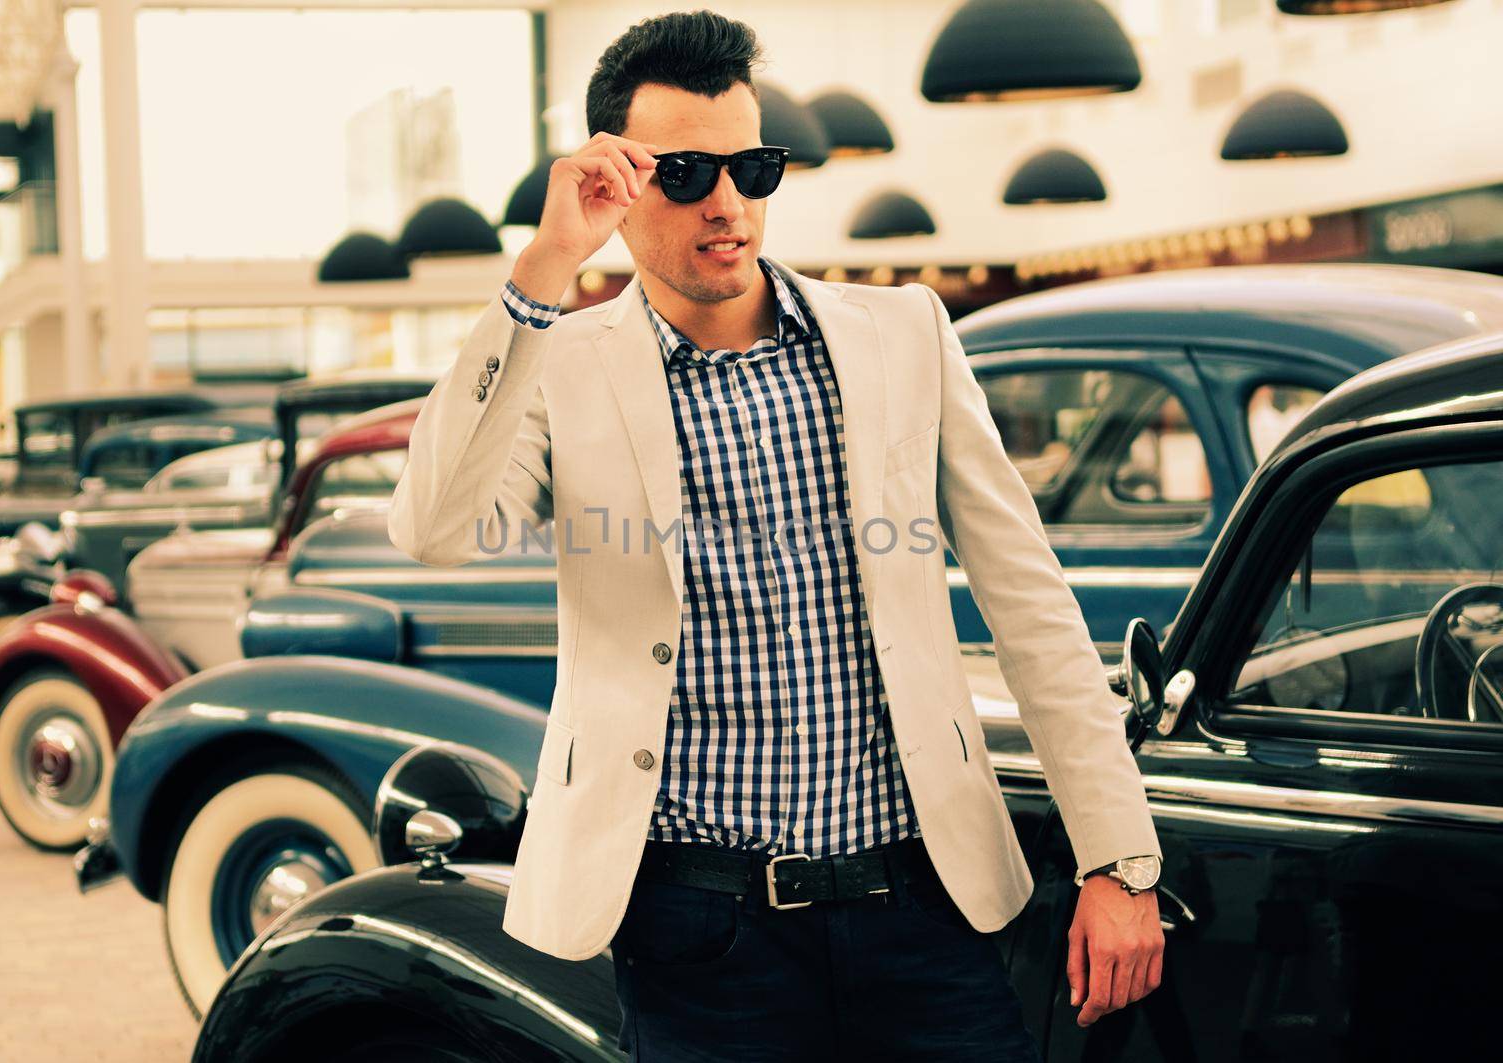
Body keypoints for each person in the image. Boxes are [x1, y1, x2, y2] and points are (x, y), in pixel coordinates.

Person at [388, 11, 1163, 1060]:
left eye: (753, 167)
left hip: (922, 904)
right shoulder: (560, 366)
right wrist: (544, 265)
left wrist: (1117, 859)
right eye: (686, 174)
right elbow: (434, 530)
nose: (727, 204)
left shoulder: (903, 335)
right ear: (613, 185)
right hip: (699, 931)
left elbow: (1030, 603)